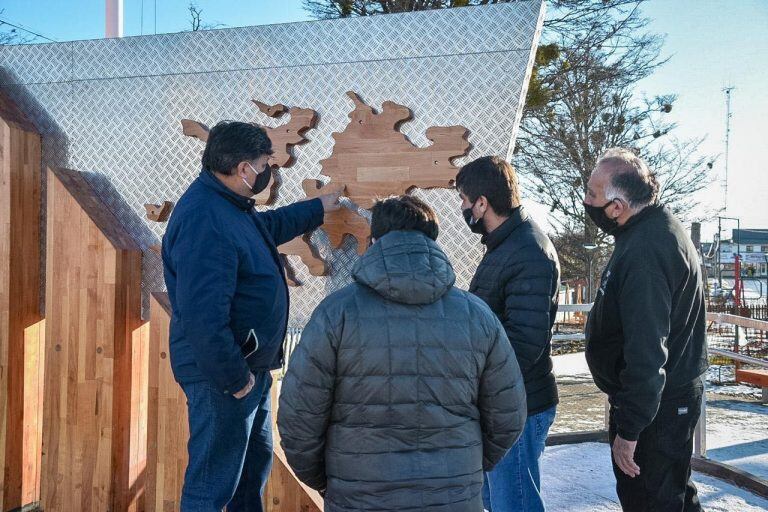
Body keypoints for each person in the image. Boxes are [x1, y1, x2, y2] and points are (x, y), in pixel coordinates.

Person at [277, 195, 527, 512]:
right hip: (453, 497)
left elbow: (299, 416)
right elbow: (508, 415)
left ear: (376, 239)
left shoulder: (336, 313)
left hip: (359, 496)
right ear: (433, 240)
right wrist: (465, 468)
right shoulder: (478, 316)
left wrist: (332, 480)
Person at [162, 120, 341, 511]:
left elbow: (265, 228)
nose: (269, 173)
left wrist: (316, 209)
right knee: (212, 485)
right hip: (224, 377)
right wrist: (235, 379)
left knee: (249, 476)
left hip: (247, 370)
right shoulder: (204, 219)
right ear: (245, 169)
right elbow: (201, 315)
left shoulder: (229, 208)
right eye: (266, 165)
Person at [583, 148, 708, 512]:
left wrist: (630, 430)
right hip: (664, 402)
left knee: (651, 501)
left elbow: (647, 350)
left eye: (592, 194)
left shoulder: (646, 251)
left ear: (617, 206)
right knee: (673, 496)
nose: (586, 201)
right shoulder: (647, 230)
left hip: (659, 409)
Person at [456, 155, 560, 512]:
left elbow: (523, 343)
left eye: (465, 202)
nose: (464, 210)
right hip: (503, 403)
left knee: (513, 503)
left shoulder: (528, 250)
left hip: (519, 407)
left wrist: (474, 379)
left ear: (482, 203)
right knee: (497, 500)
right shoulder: (505, 245)